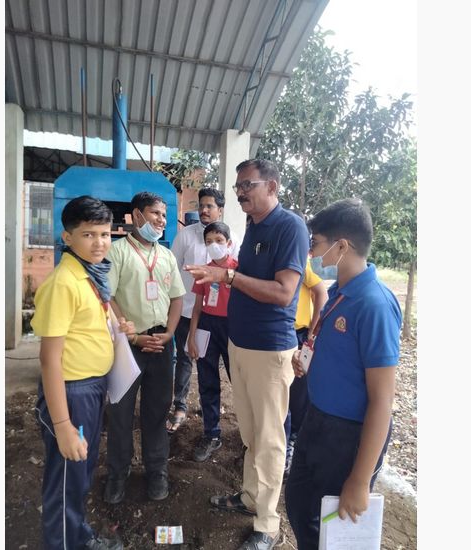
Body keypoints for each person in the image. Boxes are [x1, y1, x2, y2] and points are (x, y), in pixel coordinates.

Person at [185, 159, 309, 550]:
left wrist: (229, 277)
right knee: (252, 432)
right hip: (241, 345)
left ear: (272, 187)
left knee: (270, 438)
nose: (239, 192)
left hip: (270, 351)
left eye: (247, 185)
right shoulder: (253, 226)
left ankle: (267, 525)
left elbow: (284, 292)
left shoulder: (290, 227)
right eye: (237, 186)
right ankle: (251, 498)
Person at [285, 198, 401, 550]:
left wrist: (360, 479)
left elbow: (382, 400)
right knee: (300, 503)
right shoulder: (338, 293)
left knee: (333, 528)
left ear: (342, 246)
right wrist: (308, 360)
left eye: (316, 245)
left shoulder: (374, 304)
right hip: (316, 420)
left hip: (347, 435)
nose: (311, 255)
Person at [31, 196, 136, 550]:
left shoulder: (90, 276)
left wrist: (118, 325)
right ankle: (64, 541)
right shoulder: (64, 283)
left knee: (81, 470)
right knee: (66, 479)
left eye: (105, 234)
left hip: (92, 390)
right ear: (67, 237)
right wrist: (62, 426)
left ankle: (77, 534)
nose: (100, 243)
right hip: (71, 394)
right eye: (89, 234)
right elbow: (50, 359)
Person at [104, 191, 185, 504]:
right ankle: (117, 473)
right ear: (136, 216)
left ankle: (156, 470)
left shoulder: (165, 256)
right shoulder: (117, 251)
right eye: (155, 214)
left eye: (164, 216)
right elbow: (107, 298)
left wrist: (170, 333)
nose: (161, 221)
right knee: (121, 414)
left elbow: (177, 298)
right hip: (128, 345)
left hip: (162, 344)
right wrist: (133, 336)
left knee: (156, 412)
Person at [168, 188, 240, 434]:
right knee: (187, 361)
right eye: (201, 205)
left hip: (224, 319)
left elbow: (238, 278)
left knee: (232, 370)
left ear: (220, 209)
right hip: (190, 310)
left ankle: (243, 425)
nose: (204, 210)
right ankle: (180, 406)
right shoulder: (185, 236)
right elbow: (171, 268)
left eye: (210, 206)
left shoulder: (232, 238)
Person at [186, 221, 238, 462]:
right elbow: (197, 306)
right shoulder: (203, 271)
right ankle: (212, 433)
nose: (214, 246)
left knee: (239, 381)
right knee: (207, 380)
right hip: (207, 325)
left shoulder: (238, 270)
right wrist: (192, 336)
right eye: (209, 242)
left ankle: (248, 436)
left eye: (219, 241)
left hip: (234, 327)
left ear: (228, 243)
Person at [282, 257, 327, 476]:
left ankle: (291, 442)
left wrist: (311, 332)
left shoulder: (302, 260)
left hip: (297, 334)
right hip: (276, 333)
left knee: (297, 392)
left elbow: (321, 292)